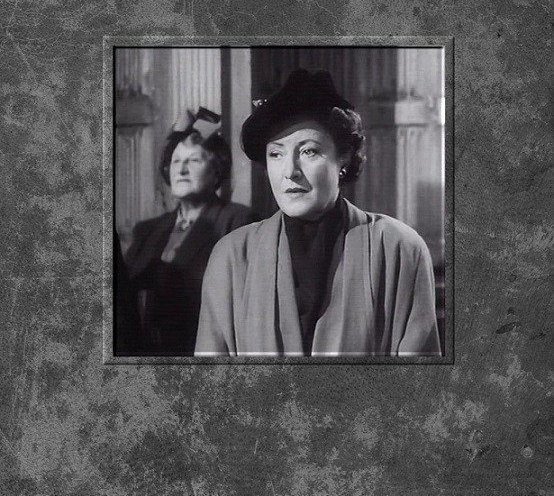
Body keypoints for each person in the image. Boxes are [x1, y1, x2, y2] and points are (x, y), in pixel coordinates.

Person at [195, 70, 441, 357]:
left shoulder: (399, 249)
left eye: (308, 151)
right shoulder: (231, 256)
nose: (290, 171)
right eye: (276, 154)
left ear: (343, 158)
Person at [121, 108, 255, 356]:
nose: (181, 170)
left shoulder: (238, 222)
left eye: (193, 161)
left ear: (216, 171)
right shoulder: (147, 231)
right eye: (176, 162)